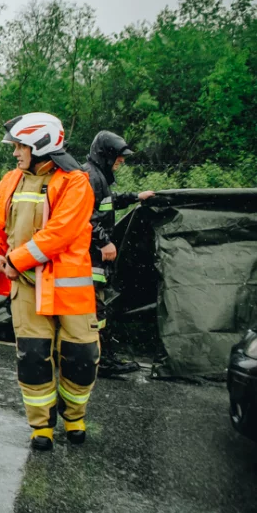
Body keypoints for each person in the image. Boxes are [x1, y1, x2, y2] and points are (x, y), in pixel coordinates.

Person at [0, 112, 99, 451]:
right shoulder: (10, 181)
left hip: (69, 288)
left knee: (80, 356)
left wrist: (15, 260)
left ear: (40, 145)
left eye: (20, 146)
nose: (15, 153)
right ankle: (41, 427)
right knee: (32, 358)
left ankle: (74, 417)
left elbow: (59, 234)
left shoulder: (75, 182)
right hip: (26, 289)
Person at [83, 131, 154, 377]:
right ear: (106, 154)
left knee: (98, 308)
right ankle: (99, 360)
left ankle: (101, 356)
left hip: (93, 259)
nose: (121, 161)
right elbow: (84, 215)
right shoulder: (90, 177)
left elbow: (109, 202)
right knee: (96, 311)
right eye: (118, 157)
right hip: (88, 259)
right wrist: (104, 242)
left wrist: (136, 197)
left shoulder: (98, 177)